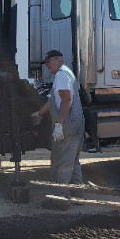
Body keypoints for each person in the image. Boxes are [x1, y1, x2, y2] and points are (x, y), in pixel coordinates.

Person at [32, 49, 85, 188]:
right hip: (75, 122)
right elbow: (53, 99)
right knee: (72, 160)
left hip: (67, 125)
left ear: (58, 60)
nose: (47, 65)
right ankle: (78, 193)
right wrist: (40, 113)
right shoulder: (65, 73)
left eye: (49, 62)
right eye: (45, 63)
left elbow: (66, 100)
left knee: (61, 161)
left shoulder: (61, 75)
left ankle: (61, 198)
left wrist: (59, 125)